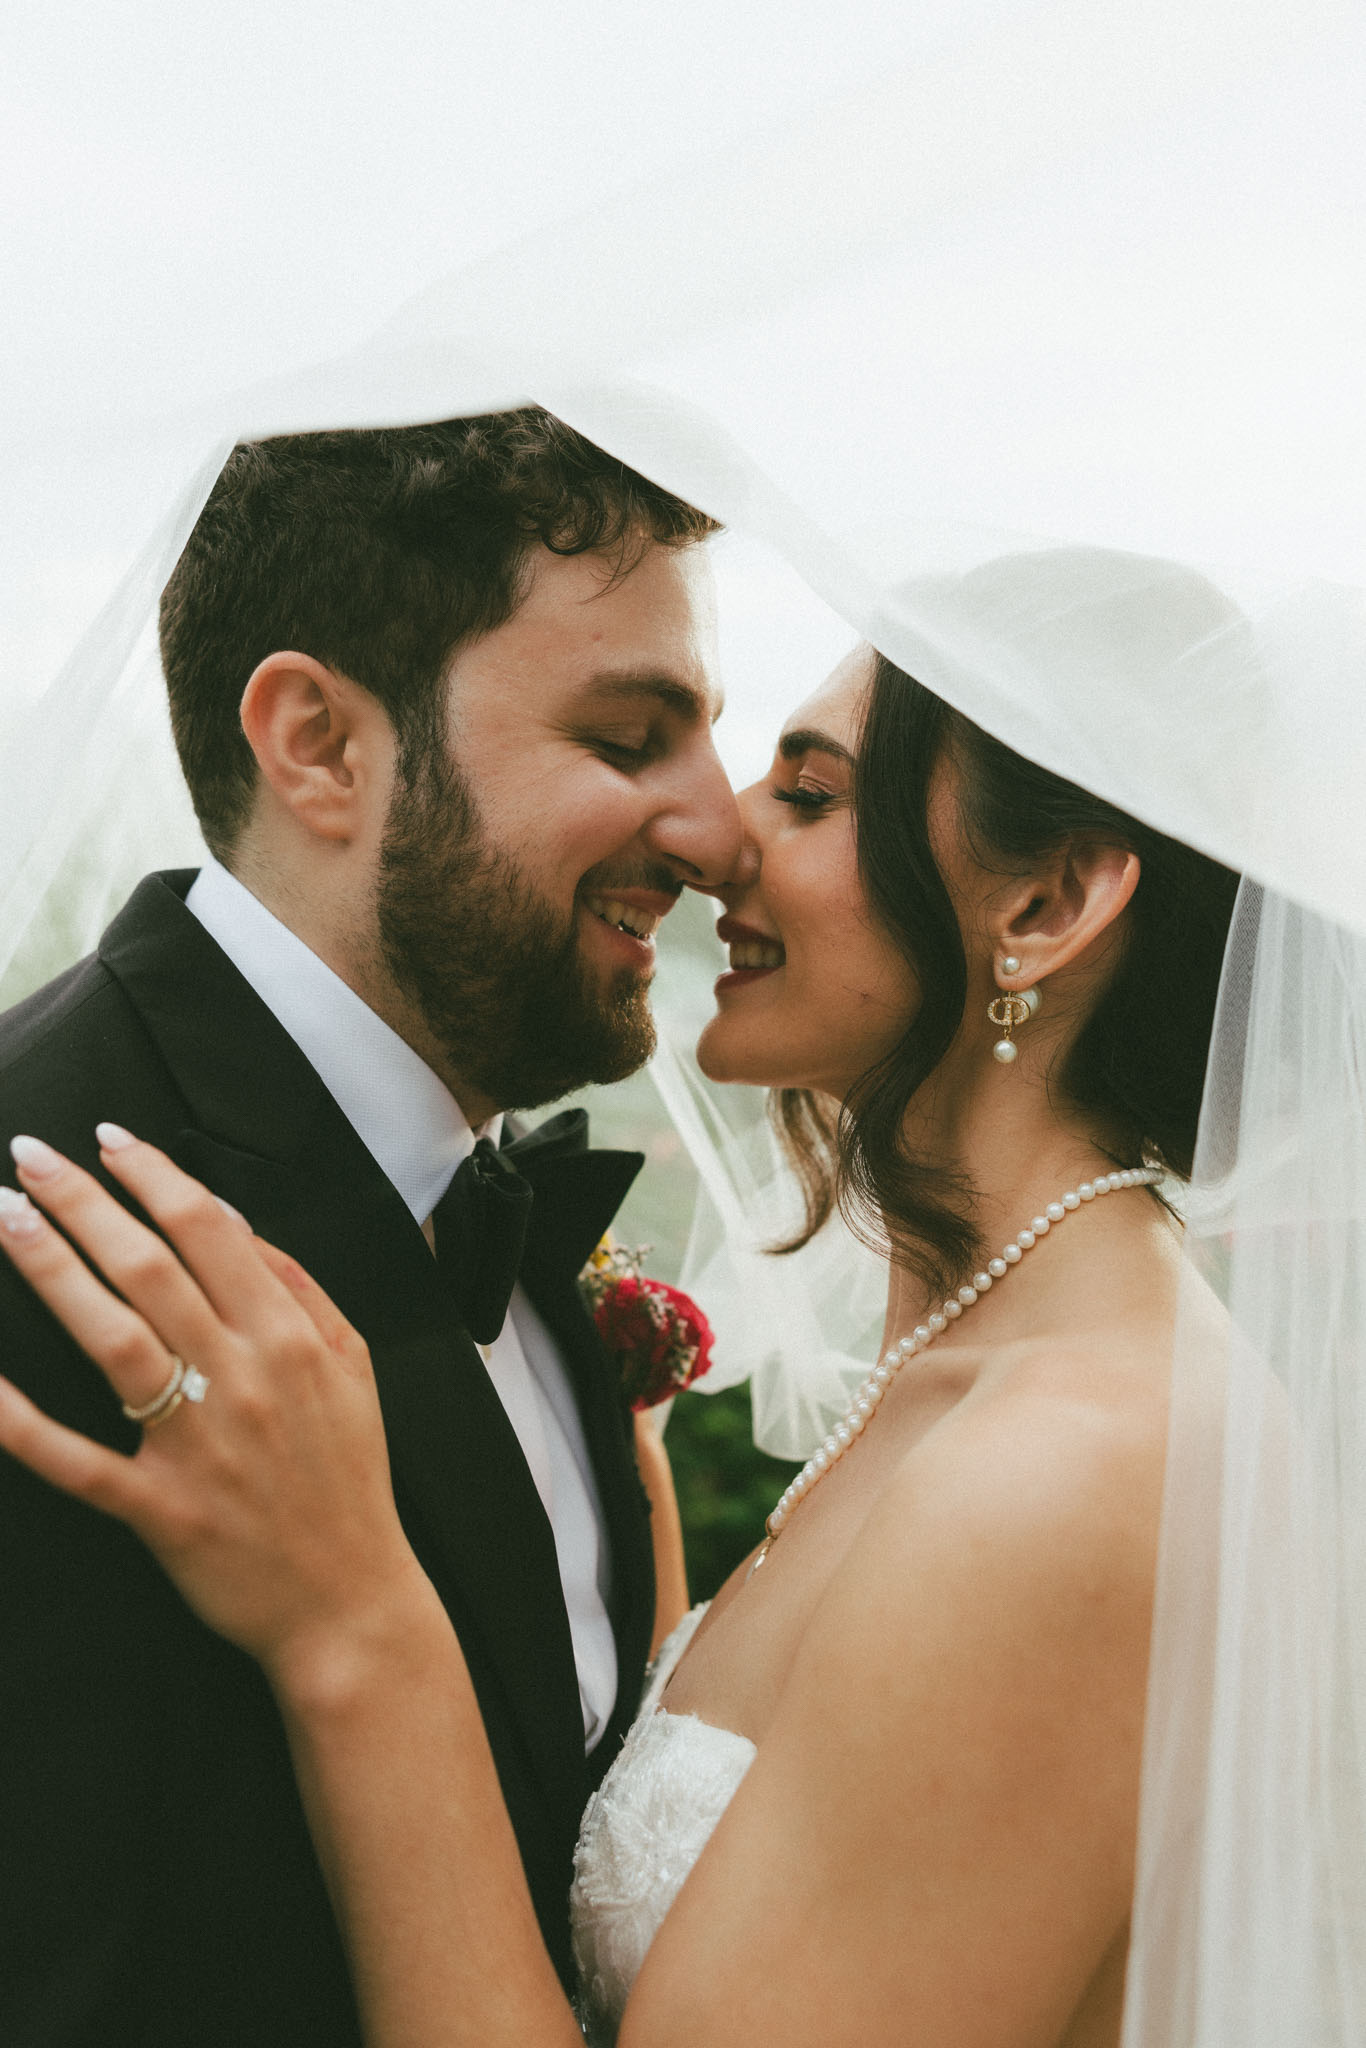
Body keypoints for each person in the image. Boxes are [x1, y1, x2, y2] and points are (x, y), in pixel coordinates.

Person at [0, 635, 1239, 2046]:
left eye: (812, 795)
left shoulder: (1071, 1474)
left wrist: (354, 1617)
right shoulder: (978, 1366)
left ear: (1047, 901)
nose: (720, 839)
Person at [0, 411, 739, 2046]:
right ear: (320, 743)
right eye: (629, 741)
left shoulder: (510, 1214)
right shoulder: (38, 1228)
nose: (721, 831)